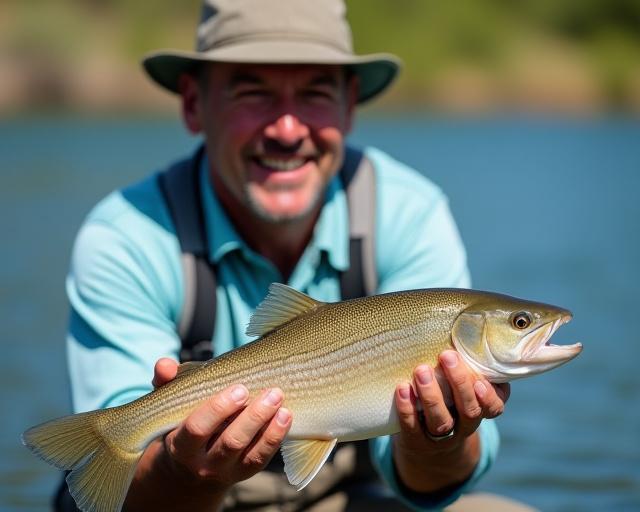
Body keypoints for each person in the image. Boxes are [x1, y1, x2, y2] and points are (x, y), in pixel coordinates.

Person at [59, 0, 524, 510]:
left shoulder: (409, 212)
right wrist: (186, 471)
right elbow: (130, 495)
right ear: (194, 103)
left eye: (315, 93)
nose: (286, 128)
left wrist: (440, 437)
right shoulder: (127, 234)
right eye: (252, 91)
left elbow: (439, 483)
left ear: (349, 106)